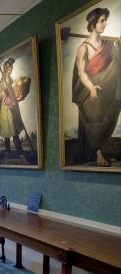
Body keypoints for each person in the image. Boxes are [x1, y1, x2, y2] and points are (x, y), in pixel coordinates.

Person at [73, 8, 120, 167]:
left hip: (105, 86)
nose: (105, 23)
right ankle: (98, 152)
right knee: (93, 115)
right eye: (102, 20)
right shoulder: (83, 48)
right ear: (93, 23)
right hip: (88, 89)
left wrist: (118, 47)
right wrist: (91, 87)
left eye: (106, 20)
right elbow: (81, 73)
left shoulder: (107, 43)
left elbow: (114, 62)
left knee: (111, 111)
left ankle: (101, 150)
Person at [0, 58, 27, 161]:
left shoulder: (9, 78)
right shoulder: (4, 80)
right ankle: (14, 151)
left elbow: (12, 91)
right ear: (6, 68)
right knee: (10, 130)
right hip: (6, 108)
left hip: (11, 106)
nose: (11, 68)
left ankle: (17, 151)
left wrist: (17, 97)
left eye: (12, 67)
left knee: (13, 129)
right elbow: (1, 95)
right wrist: (11, 101)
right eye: (9, 67)